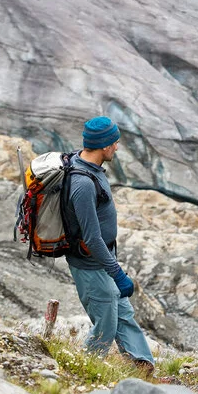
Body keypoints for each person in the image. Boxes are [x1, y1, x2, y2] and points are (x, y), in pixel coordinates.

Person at [66, 116, 155, 374]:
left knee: (124, 316)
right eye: (115, 143)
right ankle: (85, 371)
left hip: (104, 263)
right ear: (104, 146)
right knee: (105, 323)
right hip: (91, 266)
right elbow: (92, 238)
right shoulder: (82, 184)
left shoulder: (86, 166)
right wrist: (117, 273)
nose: (117, 147)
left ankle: (143, 367)